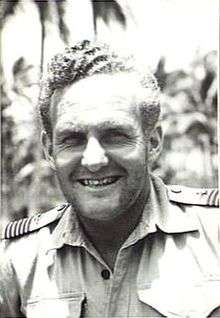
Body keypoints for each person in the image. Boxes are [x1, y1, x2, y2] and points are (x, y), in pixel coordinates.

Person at [0, 40, 219, 318]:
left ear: (152, 142)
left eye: (115, 136)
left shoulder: (214, 235)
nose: (93, 160)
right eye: (73, 139)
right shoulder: (15, 263)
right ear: (49, 150)